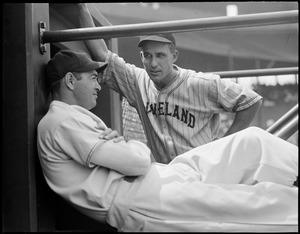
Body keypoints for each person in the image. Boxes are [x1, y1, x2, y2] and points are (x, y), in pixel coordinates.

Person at [37, 49, 298, 232]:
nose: (98, 85)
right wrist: (130, 144)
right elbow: (137, 162)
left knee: (250, 141)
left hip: (159, 176)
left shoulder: (71, 117)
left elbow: (131, 161)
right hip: (140, 200)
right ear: (70, 81)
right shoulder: (60, 120)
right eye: (93, 77)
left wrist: (123, 146)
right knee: (248, 205)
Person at [77, 3, 263, 163]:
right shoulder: (138, 80)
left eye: (160, 55)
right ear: (141, 57)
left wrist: (225, 144)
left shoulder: (201, 83)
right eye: (147, 56)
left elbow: (251, 101)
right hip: (167, 173)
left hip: (203, 169)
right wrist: (81, 6)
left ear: (174, 56)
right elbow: (102, 54)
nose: (153, 64)